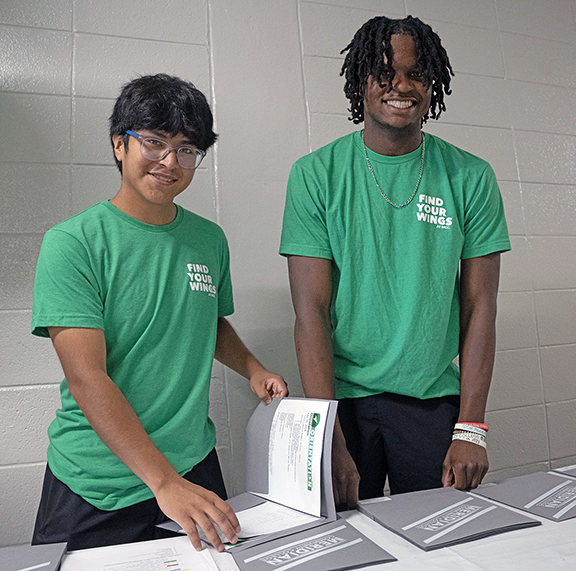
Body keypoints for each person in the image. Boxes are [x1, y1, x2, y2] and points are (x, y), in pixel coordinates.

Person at [31, 73, 287, 552]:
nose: (170, 162)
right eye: (154, 142)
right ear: (118, 144)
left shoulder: (208, 239)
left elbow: (204, 319)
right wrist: (163, 482)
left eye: (187, 150)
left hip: (191, 467)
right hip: (99, 481)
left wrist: (253, 369)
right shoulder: (73, 243)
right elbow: (87, 377)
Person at [280, 16, 510, 509]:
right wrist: (328, 436)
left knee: (445, 541)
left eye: (417, 74)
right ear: (359, 80)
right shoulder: (315, 175)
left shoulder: (471, 176)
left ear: (433, 84)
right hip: (345, 403)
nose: (401, 86)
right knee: (344, 542)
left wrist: (472, 428)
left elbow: (480, 307)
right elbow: (310, 315)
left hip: (431, 405)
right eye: (384, 73)